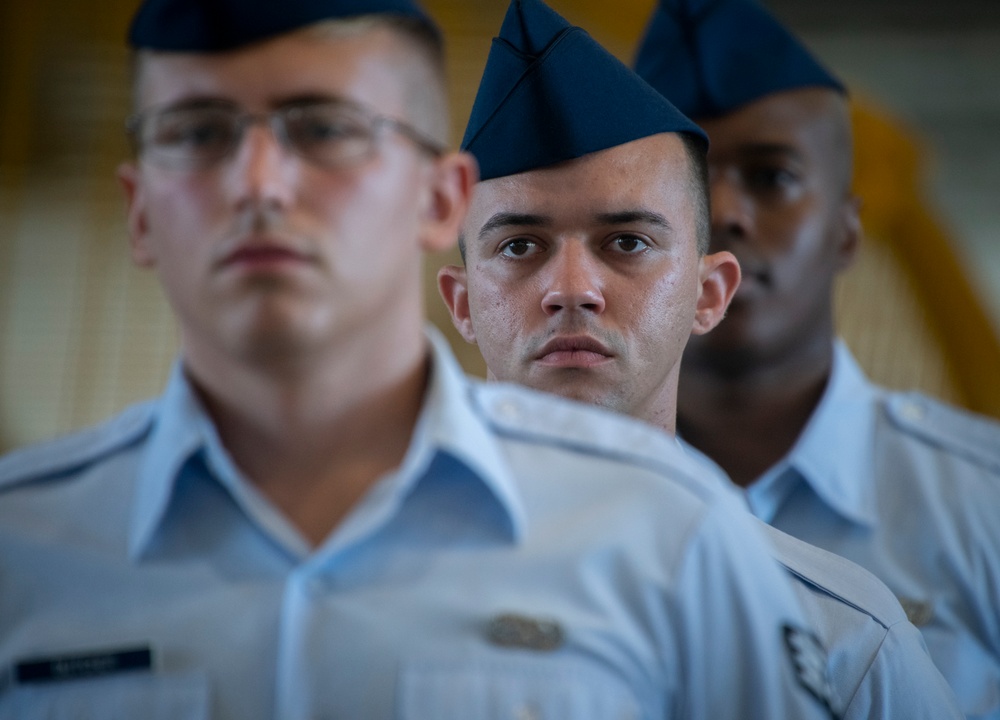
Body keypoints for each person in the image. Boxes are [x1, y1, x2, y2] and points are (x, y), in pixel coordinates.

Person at [0, 0, 834, 718]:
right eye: (199, 133)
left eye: (325, 128)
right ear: (139, 209)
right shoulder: (20, 553)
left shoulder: (668, 534)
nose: (259, 183)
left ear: (436, 196)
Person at [438, 1, 965, 718]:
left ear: (709, 293)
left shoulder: (843, 643)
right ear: (462, 303)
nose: (571, 291)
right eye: (520, 246)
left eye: (626, 243)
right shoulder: (346, 602)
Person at [633, 0, 1000, 716]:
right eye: (686, 180)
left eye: (772, 176)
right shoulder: (538, 501)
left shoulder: (983, 503)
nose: (727, 212)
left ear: (845, 232)